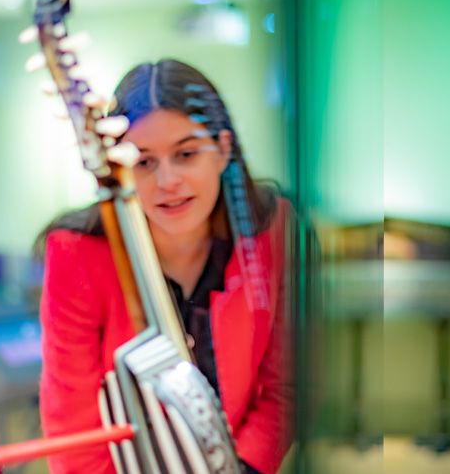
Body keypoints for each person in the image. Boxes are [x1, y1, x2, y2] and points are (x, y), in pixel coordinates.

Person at [37, 59, 293, 474]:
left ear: (223, 149)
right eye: (144, 161)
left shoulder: (274, 233)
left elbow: (287, 388)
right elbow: (73, 432)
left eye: (186, 154)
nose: (167, 181)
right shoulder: (75, 253)